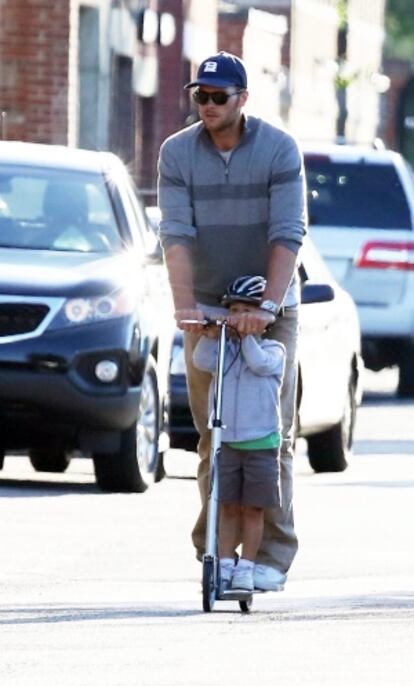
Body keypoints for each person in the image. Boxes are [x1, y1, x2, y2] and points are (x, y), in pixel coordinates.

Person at [157, 51, 307, 591]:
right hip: (206, 309)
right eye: (202, 95)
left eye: (220, 96)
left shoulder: (278, 149)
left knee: (270, 437)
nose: (209, 104)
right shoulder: (177, 152)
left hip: (272, 305)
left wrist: (265, 306)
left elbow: (287, 232)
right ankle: (214, 555)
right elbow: (176, 234)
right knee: (212, 436)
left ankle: (269, 558)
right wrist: (184, 308)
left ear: (243, 99)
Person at [193, 275, 286, 592]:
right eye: (233, 310)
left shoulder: (275, 350)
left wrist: (247, 336)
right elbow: (200, 360)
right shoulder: (224, 350)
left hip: (261, 443)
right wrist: (210, 334)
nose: (239, 317)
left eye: (247, 311)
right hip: (228, 441)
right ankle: (225, 563)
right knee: (227, 505)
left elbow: (259, 363)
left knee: (253, 508)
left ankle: (247, 565)